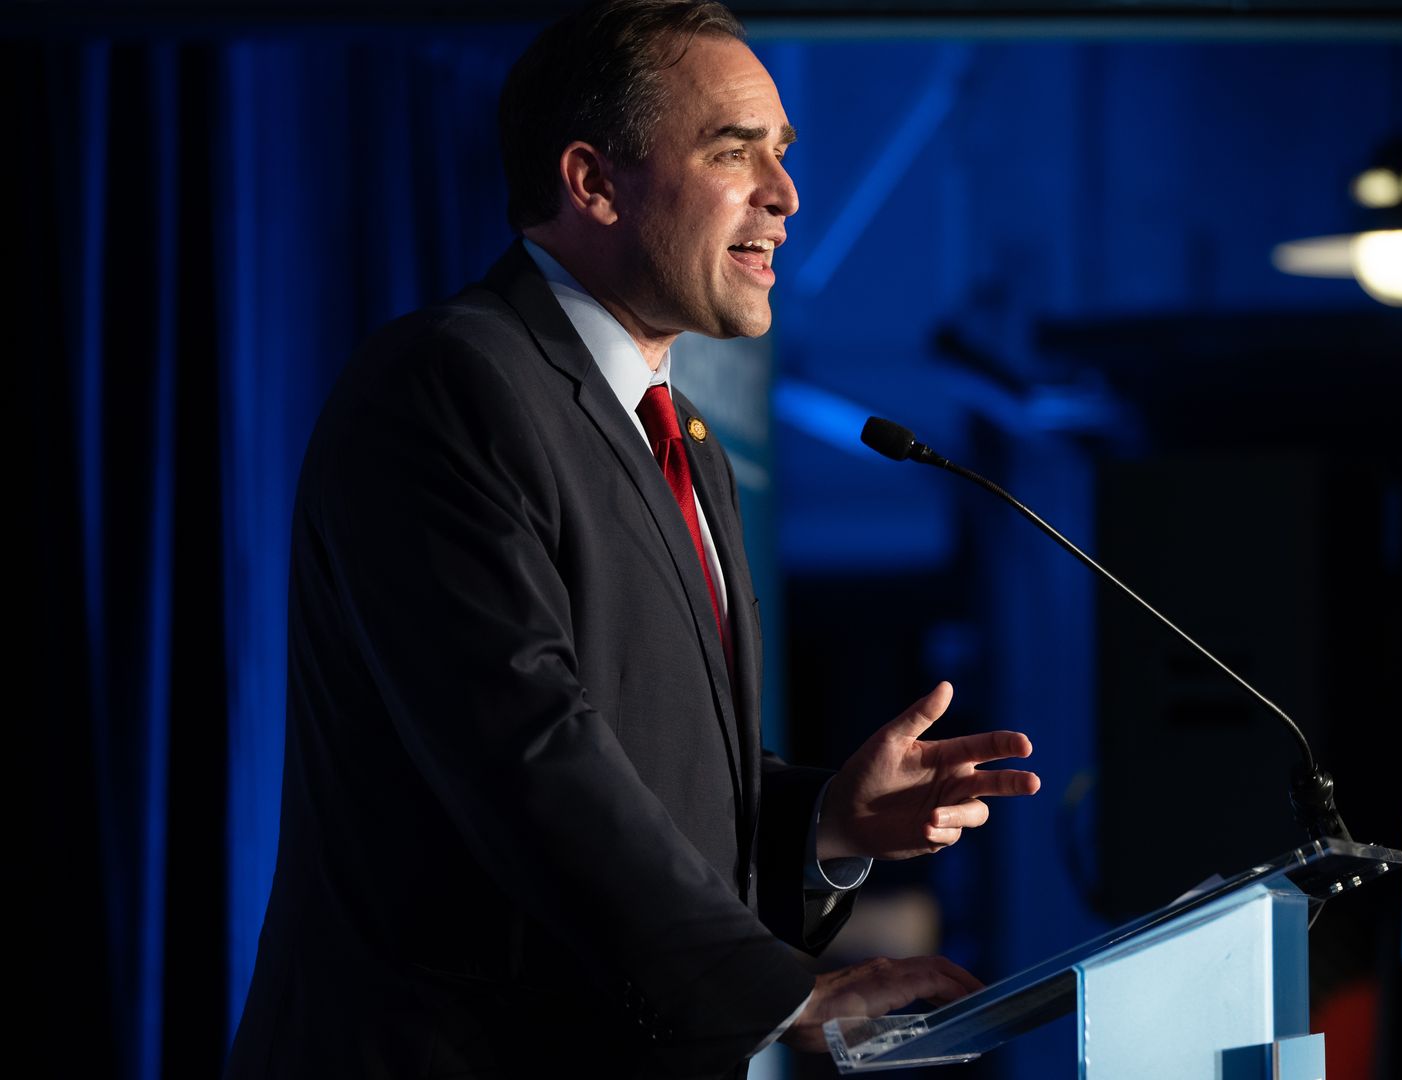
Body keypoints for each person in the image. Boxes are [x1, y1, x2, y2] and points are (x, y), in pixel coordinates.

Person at [224, 2, 1040, 1076]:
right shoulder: (449, 384)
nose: (786, 197)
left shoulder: (683, 439)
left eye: (781, 157)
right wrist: (779, 992)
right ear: (593, 182)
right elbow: (524, 750)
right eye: (732, 153)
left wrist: (825, 823)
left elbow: (654, 766)